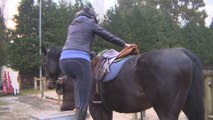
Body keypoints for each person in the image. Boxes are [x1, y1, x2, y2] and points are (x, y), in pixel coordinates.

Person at [59, 5, 131, 120]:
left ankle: (77, 109)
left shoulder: (72, 25)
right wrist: (124, 44)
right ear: (92, 17)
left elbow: (77, 42)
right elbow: (108, 36)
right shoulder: (90, 23)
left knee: (79, 88)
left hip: (63, 61)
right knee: (84, 101)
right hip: (79, 61)